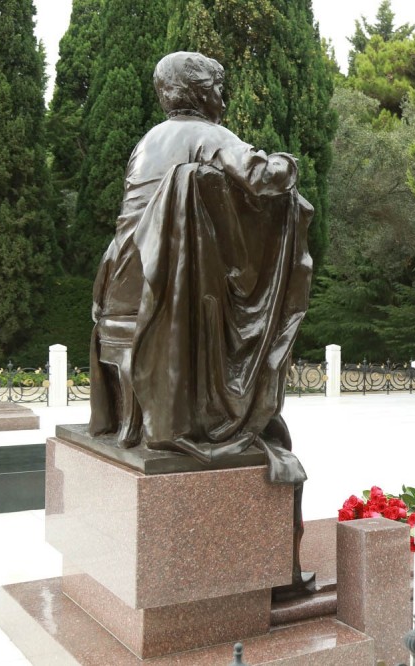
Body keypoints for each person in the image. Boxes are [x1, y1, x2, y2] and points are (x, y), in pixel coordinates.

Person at [88, 51, 314, 596]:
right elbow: (262, 177)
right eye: (218, 84)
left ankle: (138, 421)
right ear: (200, 92)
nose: (224, 95)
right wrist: (288, 164)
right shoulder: (206, 134)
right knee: (266, 421)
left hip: (120, 289)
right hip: (164, 295)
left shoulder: (148, 141)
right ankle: (275, 565)